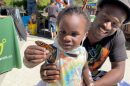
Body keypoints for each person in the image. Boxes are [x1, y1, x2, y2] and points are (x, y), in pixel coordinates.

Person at [36, 0, 130, 86]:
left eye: (115, 24)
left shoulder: (116, 36)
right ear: (97, 12)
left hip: (90, 77)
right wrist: (46, 70)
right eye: (105, 18)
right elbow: (53, 56)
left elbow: (119, 70)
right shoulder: (77, 27)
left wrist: (93, 85)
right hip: (66, 74)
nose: (107, 26)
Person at [24, 6, 94, 86]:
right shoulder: (52, 50)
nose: (67, 38)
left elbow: (85, 68)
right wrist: (29, 57)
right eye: (62, 32)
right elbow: (29, 64)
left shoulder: (83, 52)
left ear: (85, 35)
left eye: (74, 34)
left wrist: (90, 82)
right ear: (57, 30)